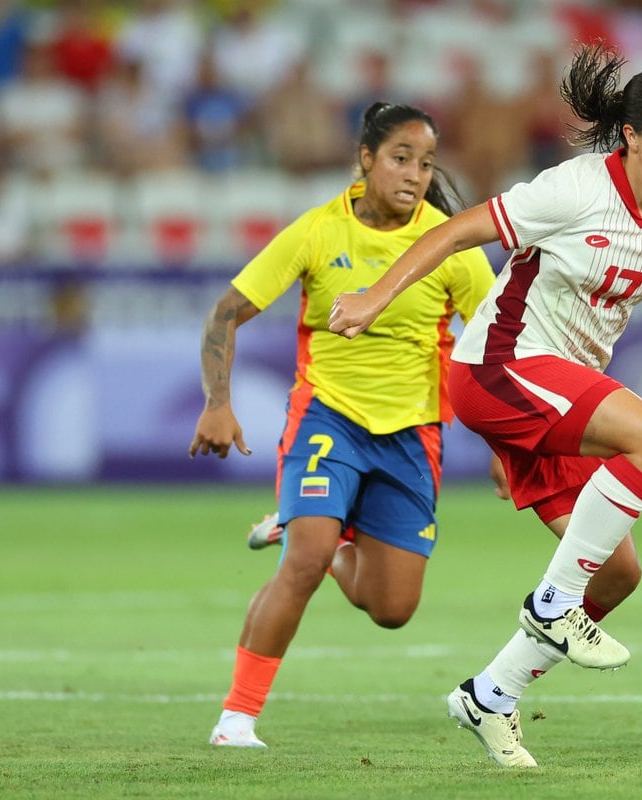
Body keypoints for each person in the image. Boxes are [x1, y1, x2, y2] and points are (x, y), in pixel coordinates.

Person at [328, 43, 642, 768]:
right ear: (632, 136)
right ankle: (553, 603)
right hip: (499, 368)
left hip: (554, 396)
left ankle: (491, 693)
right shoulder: (574, 189)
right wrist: (374, 296)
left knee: (615, 575)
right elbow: (456, 230)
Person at [188, 102, 497, 749]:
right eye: (400, 159)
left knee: (392, 609)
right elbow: (225, 313)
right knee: (302, 563)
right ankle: (237, 719)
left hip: (412, 434)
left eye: (426, 164)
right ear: (366, 159)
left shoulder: (450, 244)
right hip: (327, 418)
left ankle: (319, 538)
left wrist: (506, 442)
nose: (414, 175)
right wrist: (218, 402)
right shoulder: (319, 230)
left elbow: (495, 346)